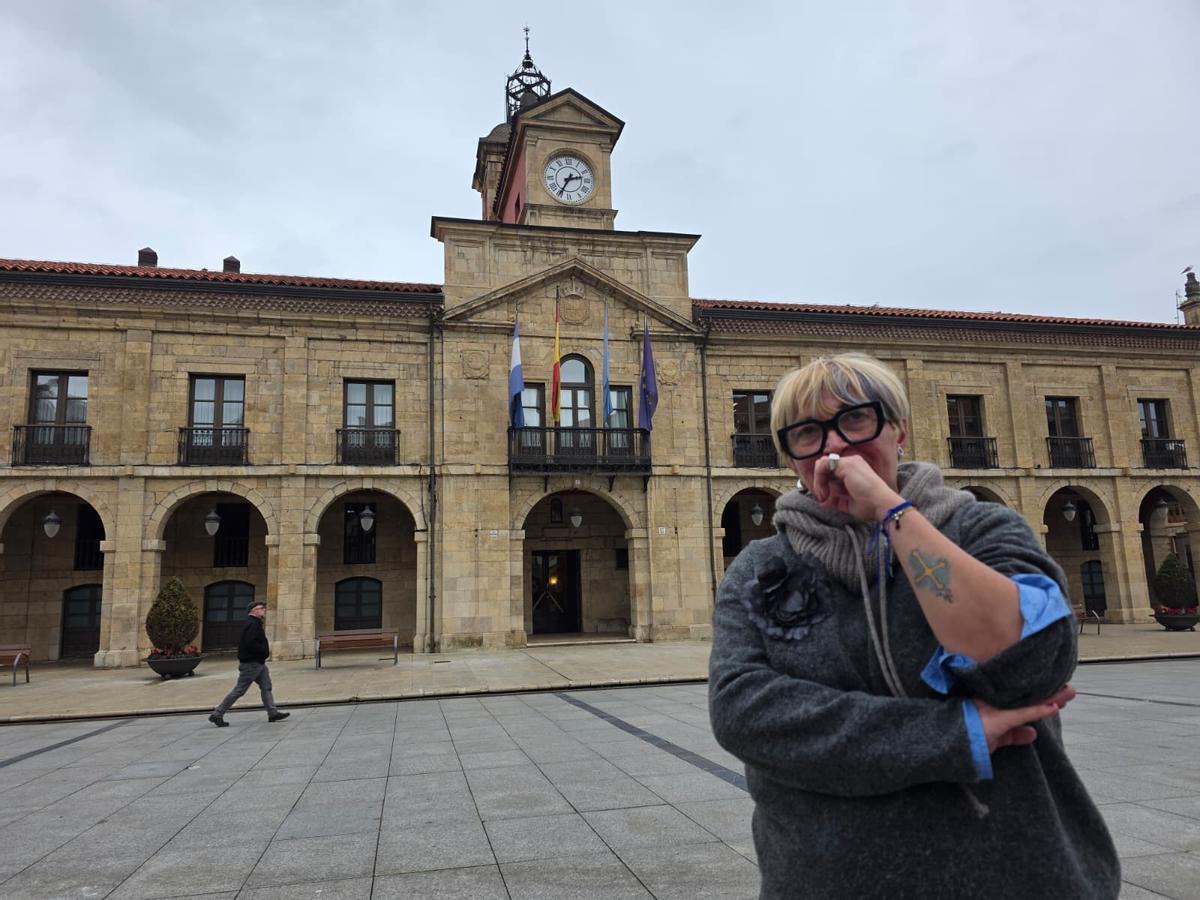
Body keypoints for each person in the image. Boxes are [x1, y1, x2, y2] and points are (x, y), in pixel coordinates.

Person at [709, 353, 1119, 899]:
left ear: (900, 430)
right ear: (791, 459)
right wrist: (955, 734)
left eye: (856, 420)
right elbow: (745, 712)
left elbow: (1030, 663)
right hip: (824, 882)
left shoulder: (982, 529)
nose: (835, 447)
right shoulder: (761, 570)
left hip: (1013, 875)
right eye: (809, 433)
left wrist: (889, 510)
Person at [209, 599, 290, 727]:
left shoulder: (255, 623)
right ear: (254, 610)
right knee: (239, 690)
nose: (264, 610)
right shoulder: (252, 624)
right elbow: (250, 643)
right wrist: (263, 652)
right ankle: (217, 714)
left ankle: (272, 713)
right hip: (251, 664)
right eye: (262, 608)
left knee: (266, 686)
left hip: (258, 663)